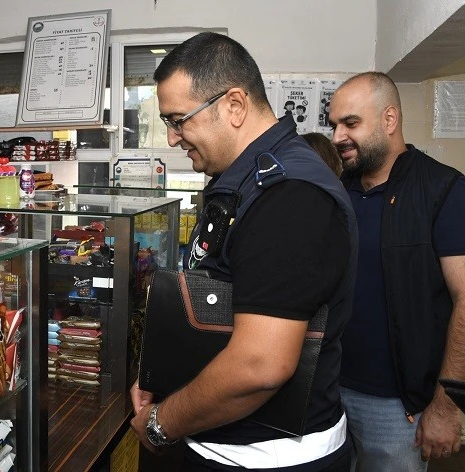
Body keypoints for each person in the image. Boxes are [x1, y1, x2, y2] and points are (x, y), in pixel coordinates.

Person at [129, 32, 358, 471]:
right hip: (222, 443)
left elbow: (259, 366)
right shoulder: (243, 181)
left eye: (178, 120)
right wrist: (164, 377)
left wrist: (162, 421)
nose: (173, 138)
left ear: (234, 105)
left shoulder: (289, 196)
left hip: (265, 459)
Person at [329, 72, 465, 471]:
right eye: (334, 125)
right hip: (327, 392)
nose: (337, 137)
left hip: (398, 408)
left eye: (350, 123)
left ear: (389, 120)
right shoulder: (336, 190)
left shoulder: (443, 190)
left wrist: (447, 404)